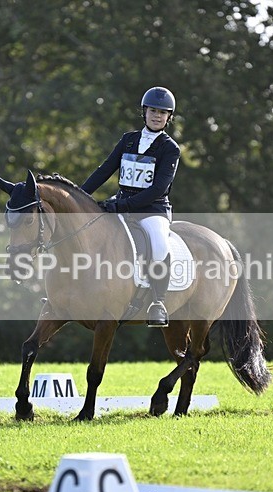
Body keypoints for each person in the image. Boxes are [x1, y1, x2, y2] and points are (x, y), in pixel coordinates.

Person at [81, 87, 180, 327]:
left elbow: (158, 189)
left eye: (162, 112)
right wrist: (80, 196)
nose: (157, 116)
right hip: (121, 203)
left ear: (169, 117)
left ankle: (158, 302)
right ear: (144, 112)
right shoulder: (129, 140)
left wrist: (123, 205)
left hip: (152, 210)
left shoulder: (170, 148)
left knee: (158, 245)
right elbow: (105, 170)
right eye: (153, 111)